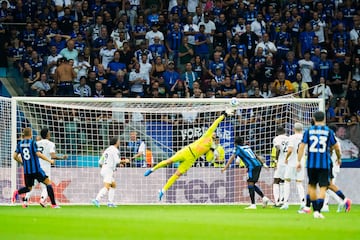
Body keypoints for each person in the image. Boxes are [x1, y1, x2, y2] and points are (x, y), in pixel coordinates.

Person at [144, 109, 234, 200]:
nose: (214, 133)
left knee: (177, 175)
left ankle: (163, 190)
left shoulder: (212, 148)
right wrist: (224, 115)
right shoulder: (207, 135)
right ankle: (152, 169)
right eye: (214, 133)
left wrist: (212, 150)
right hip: (186, 151)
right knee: (169, 161)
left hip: (191, 159)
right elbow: (215, 124)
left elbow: (208, 159)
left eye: (216, 135)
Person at [297, 111, 342, 219]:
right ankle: (317, 211)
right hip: (324, 163)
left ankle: (313, 209)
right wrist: (339, 158)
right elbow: (336, 147)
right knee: (323, 187)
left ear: (313, 118)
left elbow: (302, 146)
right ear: (324, 119)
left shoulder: (308, 131)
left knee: (311, 185)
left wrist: (299, 161)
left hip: (311, 163)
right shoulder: (328, 131)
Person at [11, 127, 59, 208]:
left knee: (28, 188)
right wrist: (50, 161)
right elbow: (38, 154)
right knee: (48, 183)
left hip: (27, 171)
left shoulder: (20, 144)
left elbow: (14, 156)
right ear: (30, 134)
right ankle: (54, 204)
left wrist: (23, 162)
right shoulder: (32, 143)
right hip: (36, 169)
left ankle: (17, 192)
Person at [221, 137, 271, 209]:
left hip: (252, 167)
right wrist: (264, 164)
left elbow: (232, 158)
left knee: (250, 184)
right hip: (258, 165)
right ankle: (264, 198)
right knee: (251, 184)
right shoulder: (247, 147)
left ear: (235, 143)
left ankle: (253, 204)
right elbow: (256, 155)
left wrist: (225, 168)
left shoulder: (237, 148)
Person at [24, 128, 68, 207]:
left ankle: (25, 202)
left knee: (32, 185)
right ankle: (42, 199)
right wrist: (62, 157)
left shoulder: (36, 143)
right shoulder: (51, 144)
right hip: (45, 168)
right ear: (47, 134)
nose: (50, 134)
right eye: (49, 133)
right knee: (47, 185)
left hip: (36, 167)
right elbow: (53, 156)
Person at [92, 137, 129, 207]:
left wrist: (110, 165)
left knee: (113, 185)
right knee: (107, 187)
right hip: (108, 170)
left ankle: (110, 202)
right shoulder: (115, 150)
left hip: (104, 169)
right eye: (118, 141)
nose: (119, 142)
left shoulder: (107, 150)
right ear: (116, 142)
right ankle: (96, 199)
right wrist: (125, 161)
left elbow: (100, 162)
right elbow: (117, 160)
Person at [281, 123, 306, 210]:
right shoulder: (305, 137)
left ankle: (286, 203)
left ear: (293, 129)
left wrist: (286, 158)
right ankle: (303, 202)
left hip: (292, 162)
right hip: (301, 162)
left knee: (287, 181)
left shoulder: (291, 137)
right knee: (299, 183)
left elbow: (290, 150)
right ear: (302, 129)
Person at [272, 126, 289, 207]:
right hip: (288, 162)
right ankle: (283, 200)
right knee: (283, 181)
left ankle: (277, 201)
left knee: (276, 180)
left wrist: (276, 160)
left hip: (281, 162)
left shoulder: (277, 139)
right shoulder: (288, 138)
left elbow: (278, 149)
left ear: (277, 132)